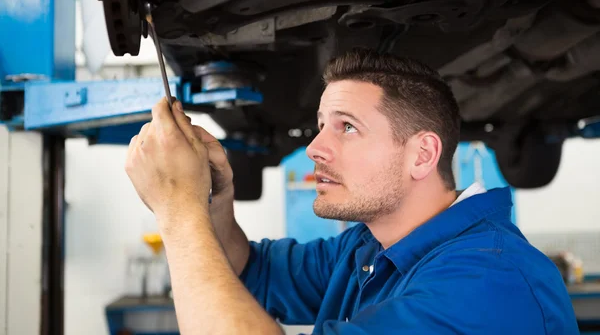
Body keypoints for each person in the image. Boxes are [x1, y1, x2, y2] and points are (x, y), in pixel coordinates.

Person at [125, 48, 578, 335]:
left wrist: (178, 210)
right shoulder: (369, 246)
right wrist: (212, 200)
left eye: (346, 126)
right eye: (321, 126)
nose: (315, 148)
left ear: (422, 155)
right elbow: (254, 272)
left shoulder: (489, 283)